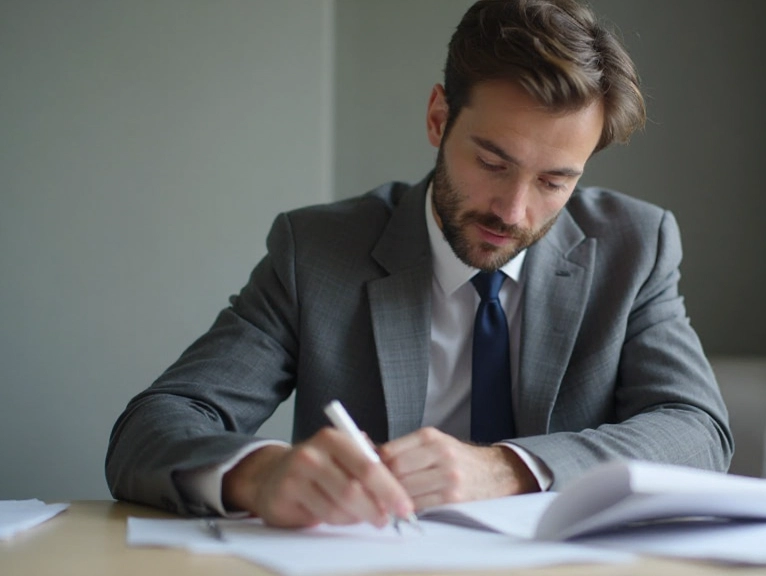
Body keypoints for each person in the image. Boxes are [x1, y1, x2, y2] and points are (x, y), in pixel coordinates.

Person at [106, 0, 733, 529]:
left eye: (554, 181)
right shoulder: (318, 251)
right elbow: (152, 427)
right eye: (492, 163)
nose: (513, 211)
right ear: (439, 118)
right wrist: (259, 472)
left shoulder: (634, 246)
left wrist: (507, 468)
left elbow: (697, 431)